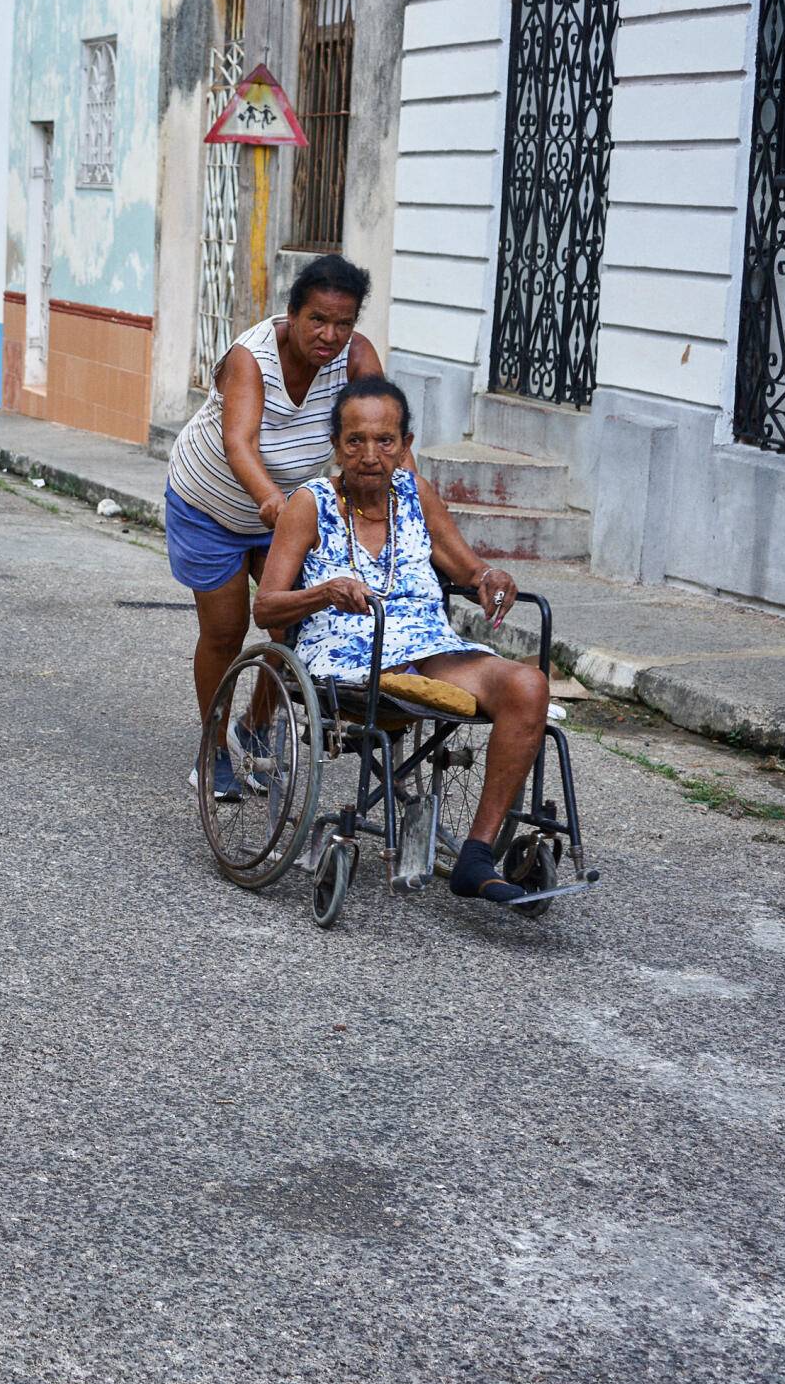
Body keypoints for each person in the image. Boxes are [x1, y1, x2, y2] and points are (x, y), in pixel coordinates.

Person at [254, 377, 544, 904]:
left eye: (386, 441)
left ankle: (476, 856)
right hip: (347, 656)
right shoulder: (309, 504)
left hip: (429, 649)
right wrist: (324, 593)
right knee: (425, 678)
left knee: (528, 684)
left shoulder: (415, 495)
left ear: (406, 445)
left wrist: (490, 579)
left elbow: (469, 568)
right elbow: (265, 607)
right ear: (336, 445)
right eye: (355, 441)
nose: (371, 454)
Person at [165, 255, 384, 798]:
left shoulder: (356, 359)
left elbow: (385, 431)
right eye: (317, 320)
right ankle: (212, 747)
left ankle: (258, 726)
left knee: (294, 624)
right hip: (210, 503)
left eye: (343, 323)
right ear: (292, 314)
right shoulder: (250, 357)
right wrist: (270, 502)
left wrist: (401, 500)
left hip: (288, 507)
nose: (330, 335)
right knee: (226, 630)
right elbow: (238, 442)